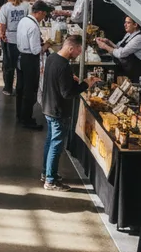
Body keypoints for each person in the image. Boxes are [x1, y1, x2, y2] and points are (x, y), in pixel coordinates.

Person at [41, 34, 100, 190]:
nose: (79, 54)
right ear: (71, 47)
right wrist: (85, 84)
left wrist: (69, 79)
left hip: (48, 106)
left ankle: (46, 173)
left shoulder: (52, 58)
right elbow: (67, 93)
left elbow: (55, 81)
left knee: (50, 142)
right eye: (78, 51)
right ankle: (51, 180)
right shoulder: (64, 66)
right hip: (58, 111)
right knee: (56, 145)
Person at [16, 0, 53, 130]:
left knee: (21, 88)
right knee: (30, 90)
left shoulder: (23, 21)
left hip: (21, 56)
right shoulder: (33, 26)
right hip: (30, 60)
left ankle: (20, 114)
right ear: (40, 12)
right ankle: (27, 119)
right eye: (44, 14)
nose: (44, 17)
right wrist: (47, 45)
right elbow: (36, 50)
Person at [0, 0, 30, 96]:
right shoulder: (26, 6)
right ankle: (20, 87)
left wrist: (1, 34)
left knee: (9, 64)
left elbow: (2, 24)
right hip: (23, 38)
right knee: (21, 64)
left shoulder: (5, 7)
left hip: (9, 38)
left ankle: (8, 88)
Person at [96, 16, 141, 82]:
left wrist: (105, 46)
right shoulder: (128, 34)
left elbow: (121, 53)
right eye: (125, 22)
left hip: (134, 75)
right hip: (125, 72)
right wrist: (108, 42)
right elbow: (118, 48)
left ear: (135, 25)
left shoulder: (139, 38)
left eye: (128, 23)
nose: (125, 25)